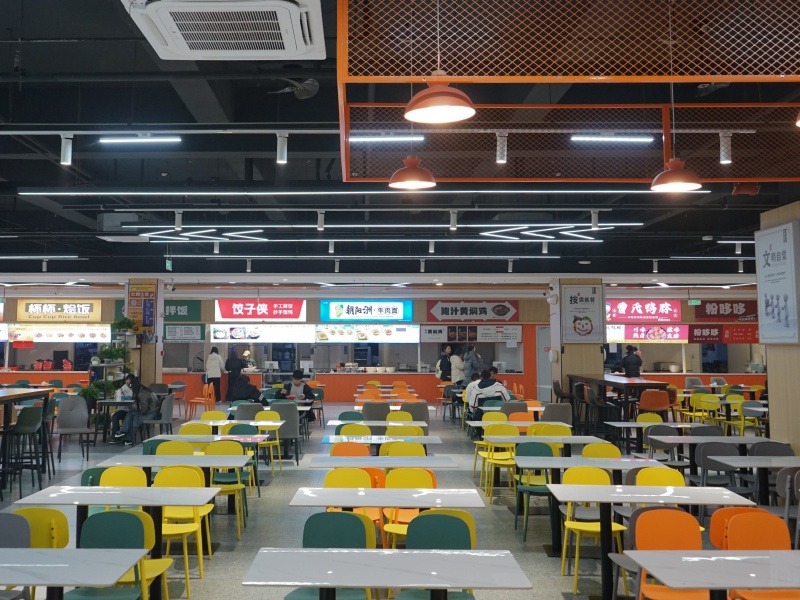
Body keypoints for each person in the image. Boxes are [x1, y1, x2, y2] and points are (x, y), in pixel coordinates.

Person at [111, 377, 158, 445]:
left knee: (135, 420)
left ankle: (128, 438)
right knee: (131, 412)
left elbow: (143, 410)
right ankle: (123, 432)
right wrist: (136, 409)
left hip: (151, 413)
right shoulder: (144, 390)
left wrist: (136, 409)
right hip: (149, 411)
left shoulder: (142, 394)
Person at [110, 373, 136, 438]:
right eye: (127, 380)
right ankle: (116, 435)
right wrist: (119, 392)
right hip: (122, 409)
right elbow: (117, 395)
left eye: (129, 380)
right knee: (115, 417)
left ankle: (123, 435)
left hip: (131, 410)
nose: (127, 382)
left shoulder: (136, 388)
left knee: (126, 418)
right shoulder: (124, 387)